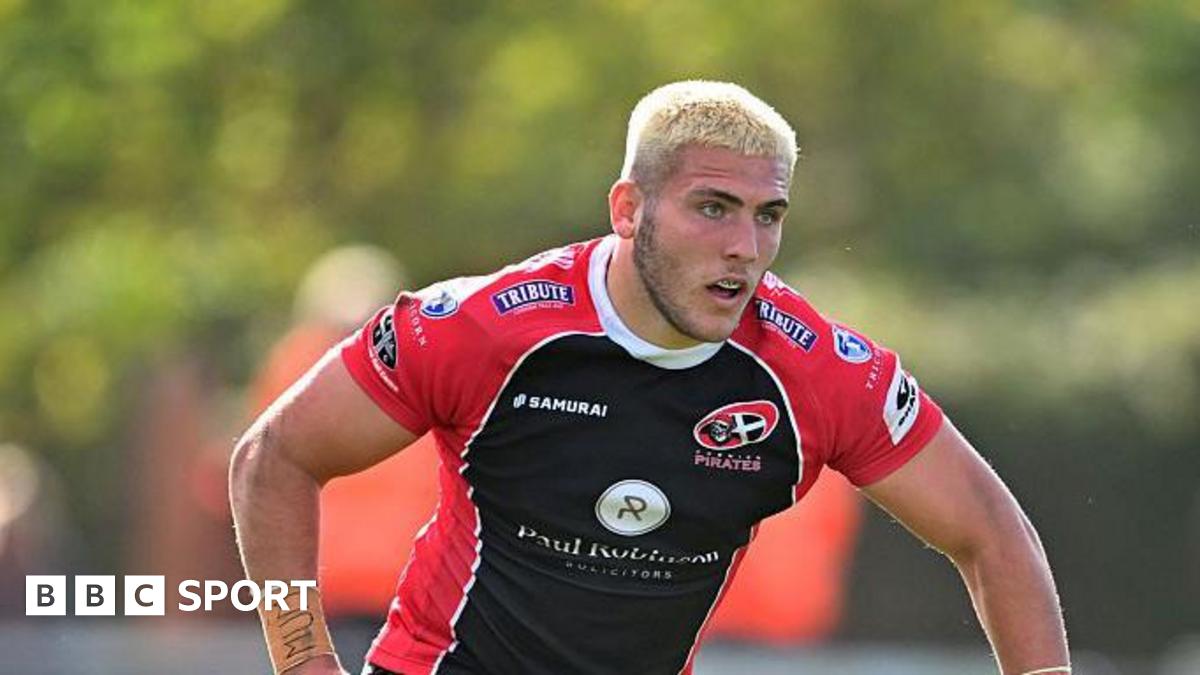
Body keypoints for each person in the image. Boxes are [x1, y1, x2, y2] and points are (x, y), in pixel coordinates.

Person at [230, 80, 1070, 675]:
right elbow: (273, 456)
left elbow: (993, 531)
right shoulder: (485, 326)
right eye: (713, 207)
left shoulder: (815, 369)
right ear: (629, 209)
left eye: (767, 215)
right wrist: (303, 659)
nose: (744, 246)